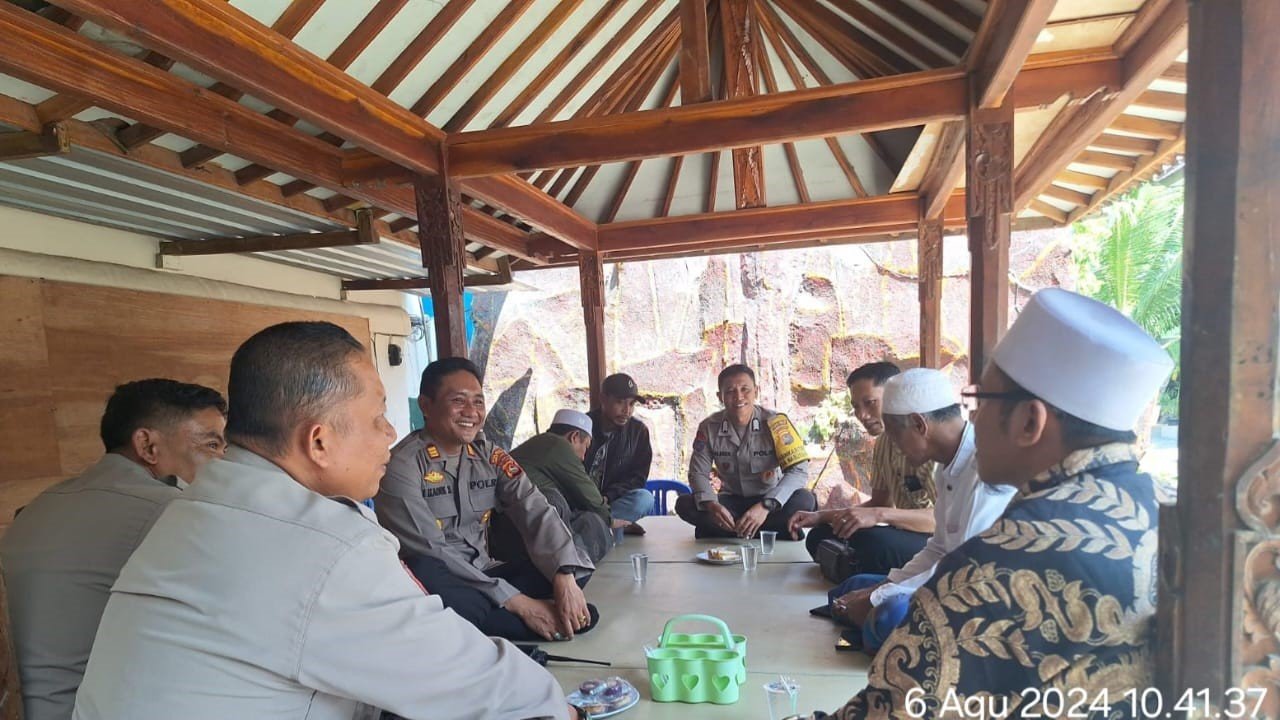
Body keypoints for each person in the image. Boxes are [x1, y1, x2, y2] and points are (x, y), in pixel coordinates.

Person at [71, 323, 573, 720]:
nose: (391, 432)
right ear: (319, 442)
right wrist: (561, 706)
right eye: (378, 416)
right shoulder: (326, 546)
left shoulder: (195, 509)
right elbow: (477, 683)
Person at [798, 288, 1173, 719]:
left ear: (1030, 422)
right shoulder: (1173, 511)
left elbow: (891, 707)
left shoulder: (1001, 560)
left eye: (980, 404)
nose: (969, 420)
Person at [0, 379, 226, 720]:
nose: (223, 462)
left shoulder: (41, 505)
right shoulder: (172, 512)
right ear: (148, 446)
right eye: (212, 445)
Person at [377, 357, 597, 644]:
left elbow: (534, 507)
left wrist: (564, 575)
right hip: (441, 584)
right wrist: (518, 601)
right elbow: (432, 551)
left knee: (573, 561)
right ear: (426, 405)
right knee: (427, 569)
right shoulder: (402, 466)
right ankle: (516, 615)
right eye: (459, 400)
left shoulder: (488, 455)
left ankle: (501, 618)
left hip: (486, 574)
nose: (471, 412)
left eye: (478, 402)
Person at [820, 368, 1015, 654]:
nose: (896, 447)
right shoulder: (946, 466)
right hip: (948, 578)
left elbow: (962, 571)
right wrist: (884, 585)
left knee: (890, 614)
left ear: (919, 424)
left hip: (979, 592)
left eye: (897, 437)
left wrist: (879, 597)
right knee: (855, 585)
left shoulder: (986, 468)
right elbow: (938, 548)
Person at [790, 362, 938, 583]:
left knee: (875, 544)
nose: (862, 415)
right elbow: (879, 503)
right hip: (900, 532)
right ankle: (852, 567)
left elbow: (944, 521)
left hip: (934, 540)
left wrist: (879, 515)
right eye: (856, 407)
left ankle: (851, 567)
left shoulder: (927, 443)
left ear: (894, 396)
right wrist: (821, 516)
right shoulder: (883, 443)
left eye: (870, 403)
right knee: (820, 535)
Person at [675, 364, 815, 539]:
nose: (738, 397)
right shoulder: (709, 427)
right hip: (731, 501)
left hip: (769, 500)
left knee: (805, 499)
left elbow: (798, 470)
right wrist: (712, 505)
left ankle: (728, 531)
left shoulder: (776, 423)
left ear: (756, 391)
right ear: (720, 397)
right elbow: (698, 473)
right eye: (730, 391)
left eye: (745, 389)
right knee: (684, 504)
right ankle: (770, 532)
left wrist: (766, 506)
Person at [492, 409, 611, 564]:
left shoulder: (540, 443)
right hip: (516, 533)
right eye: (586, 448)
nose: (582, 457)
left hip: (506, 529)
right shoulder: (557, 445)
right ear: (574, 437)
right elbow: (593, 501)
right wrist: (610, 521)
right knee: (591, 521)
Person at [586, 373, 654, 534]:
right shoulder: (583, 426)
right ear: (603, 399)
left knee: (644, 499)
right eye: (619, 402)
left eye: (631, 404)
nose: (627, 411)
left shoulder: (638, 432)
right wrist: (587, 498)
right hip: (580, 500)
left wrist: (608, 496)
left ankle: (601, 525)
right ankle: (611, 525)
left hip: (610, 502)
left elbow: (637, 478)